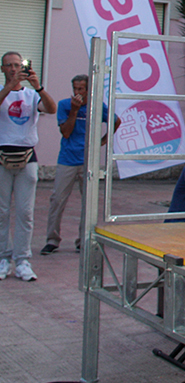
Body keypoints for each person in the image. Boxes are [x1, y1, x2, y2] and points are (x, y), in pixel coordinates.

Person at [41, 74, 120, 255]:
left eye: (81, 89)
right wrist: (74, 111)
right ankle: (52, 239)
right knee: (57, 199)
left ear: (88, 90)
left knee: (88, 202)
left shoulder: (97, 106)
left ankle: (83, 240)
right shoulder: (64, 105)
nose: (77, 92)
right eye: (75, 89)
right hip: (67, 159)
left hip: (88, 160)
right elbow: (66, 132)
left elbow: (116, 121)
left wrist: (104, 140)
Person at [0, 52, 57, 282]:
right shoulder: (2, 92)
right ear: (3, 69)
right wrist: (10, 87)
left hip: (27, 157)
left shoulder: (32, 95)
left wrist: (38, 86)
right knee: (2, 211)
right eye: (9, 66)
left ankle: (23, 260)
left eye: (18, 65)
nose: (14, 69)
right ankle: (3, 258)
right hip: (2, 156)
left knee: (25, 212)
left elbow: (51, 109)